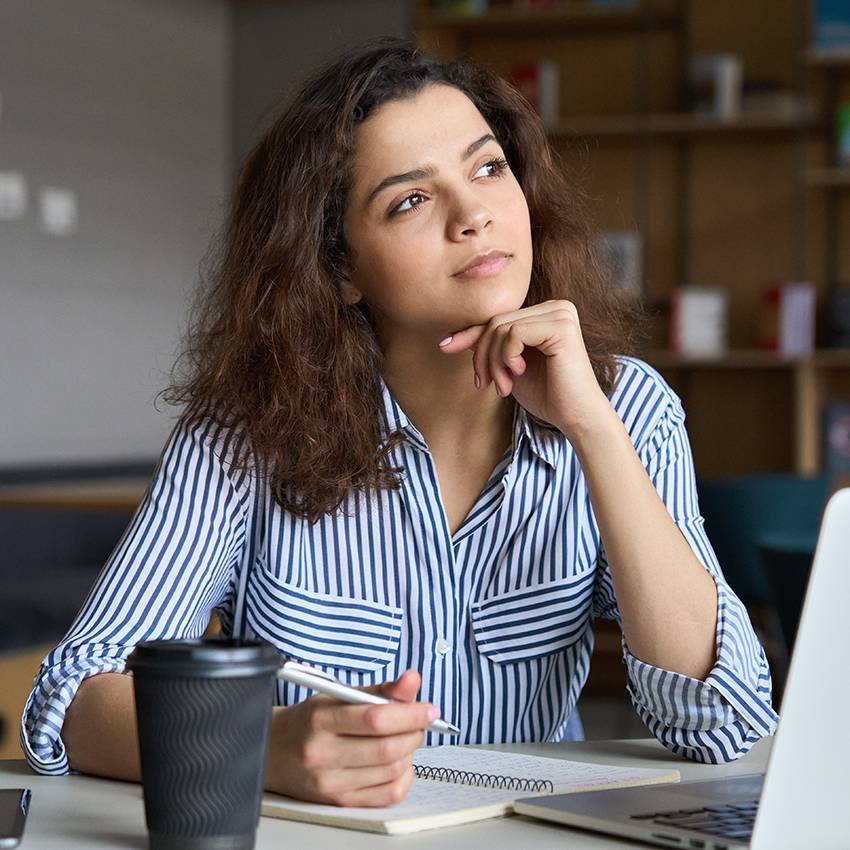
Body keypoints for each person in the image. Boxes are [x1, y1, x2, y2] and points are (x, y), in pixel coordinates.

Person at [21, 36, 778, 807]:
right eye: (410, 199)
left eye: (488, 168)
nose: (474, 215)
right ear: (341, 269)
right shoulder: (244, 433)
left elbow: (721, 723)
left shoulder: (627, 410)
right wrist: (263, 748)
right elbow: (74, 703)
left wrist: (593, 428)